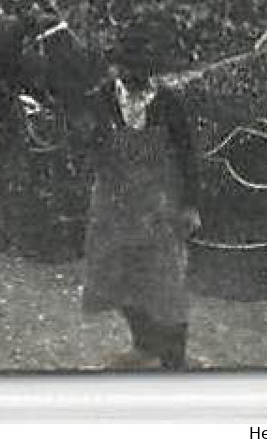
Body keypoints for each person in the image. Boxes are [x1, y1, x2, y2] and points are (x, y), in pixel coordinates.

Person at [82, 25, 201, 371]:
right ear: (117, 67)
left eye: (142, 69)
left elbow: (187, 156)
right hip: (113, 203)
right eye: (127, 67)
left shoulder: (169, 103)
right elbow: (88, 148)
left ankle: (173, 360)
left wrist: (190, 205)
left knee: (166, 284)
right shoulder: (100, 98)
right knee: (115, 276)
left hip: (159, 204)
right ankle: (143, 343)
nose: (134, 75)